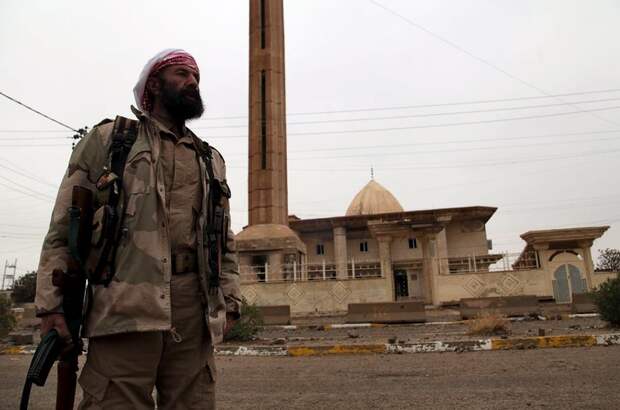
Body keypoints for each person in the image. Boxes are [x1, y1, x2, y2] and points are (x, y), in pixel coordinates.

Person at [34, 49, 241, 409]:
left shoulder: (210, 159)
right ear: (155, 84)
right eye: (182, 74)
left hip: (194, 311)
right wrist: (50, 307)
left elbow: (224, 240)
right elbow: (64, 227)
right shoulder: (111, 140)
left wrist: (232, 301)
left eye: (196, 77)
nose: (192, 82)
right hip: (124, 304)